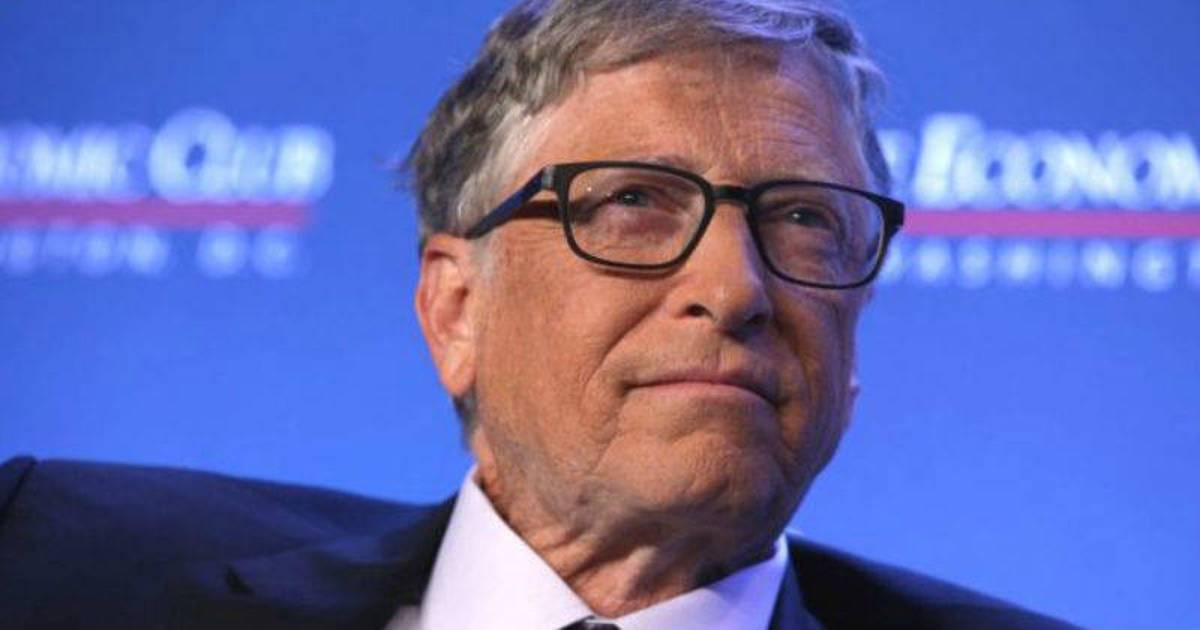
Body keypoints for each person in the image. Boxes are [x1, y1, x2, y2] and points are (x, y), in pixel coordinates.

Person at [0, 1, 1077, 628]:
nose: (738, 288)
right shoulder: (59, 567)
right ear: (456, 308)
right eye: (634, 203)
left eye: (803, 219)